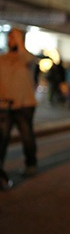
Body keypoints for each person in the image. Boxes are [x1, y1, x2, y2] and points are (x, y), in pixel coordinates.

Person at [0, 28, 38, 180]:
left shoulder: (27, 58)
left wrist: (20, 41)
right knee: (2, 138)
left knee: (26, 136)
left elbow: (27, 58)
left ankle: (31, 164)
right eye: (10, 37)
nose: (12, 40)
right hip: (5, 105)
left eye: (15, 37)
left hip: (25, 105)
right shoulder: (2, 59)